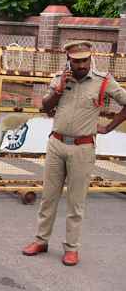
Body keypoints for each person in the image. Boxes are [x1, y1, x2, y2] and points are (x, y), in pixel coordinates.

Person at [22, 40, 126, 266]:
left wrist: (108, 127)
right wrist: (59, 89)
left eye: (85, 61)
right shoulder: (59, 79)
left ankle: (72, 248)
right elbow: (45, 108)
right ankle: (41, 240)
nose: (81, 65)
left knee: (75, 202)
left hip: (83, 147)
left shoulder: (103, 81)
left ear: (91, 59)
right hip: (56, 144)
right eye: (76, 61)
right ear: (68, 60)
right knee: (48, 197)